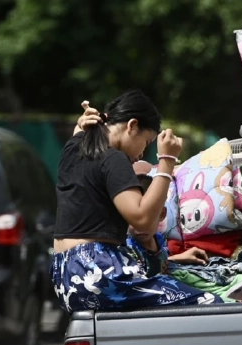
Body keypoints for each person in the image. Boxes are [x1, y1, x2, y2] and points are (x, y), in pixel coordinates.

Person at [51, 90, 218, 312]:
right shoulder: (113, 158)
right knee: (209, 303)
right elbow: (142, 219)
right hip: (97, 271)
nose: (141, 154)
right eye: (146, 142)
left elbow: (81, 130)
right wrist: (167, 161)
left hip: (65, 276)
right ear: (132, 125)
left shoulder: (73, 146)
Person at [125, 173, 207, 276]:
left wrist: (179, 258)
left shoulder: (158, 238)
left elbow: (157, 263)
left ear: (162, 214)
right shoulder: (127, 250)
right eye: (135, 218)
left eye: (148, 218)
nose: (142, 225)